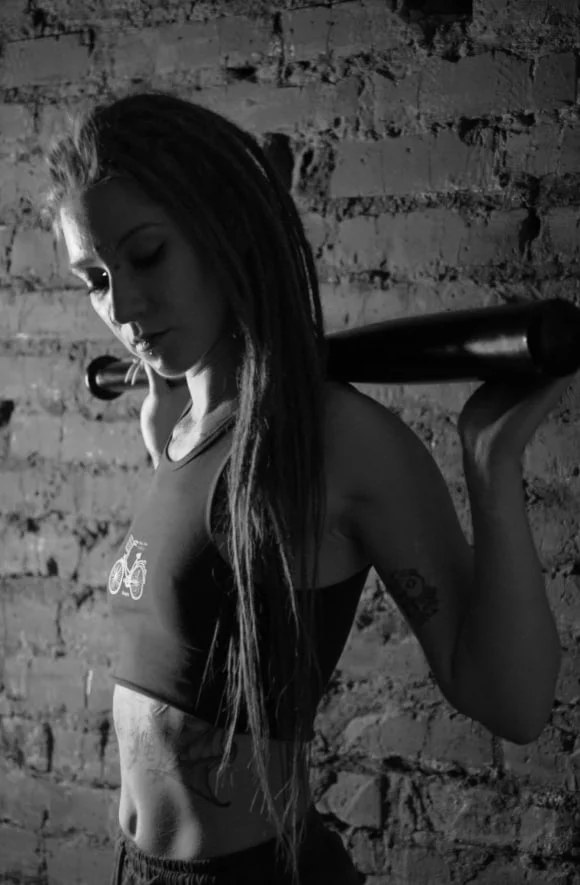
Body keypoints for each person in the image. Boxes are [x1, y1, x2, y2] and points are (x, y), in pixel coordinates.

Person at [39, 89, 573, 885]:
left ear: (225, 232)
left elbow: (513, 703)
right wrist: (164, 436)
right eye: (94, 278)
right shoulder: (179, 428)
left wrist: (491, 466)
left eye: (147, 255)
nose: (122, 306)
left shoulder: (337, 438)